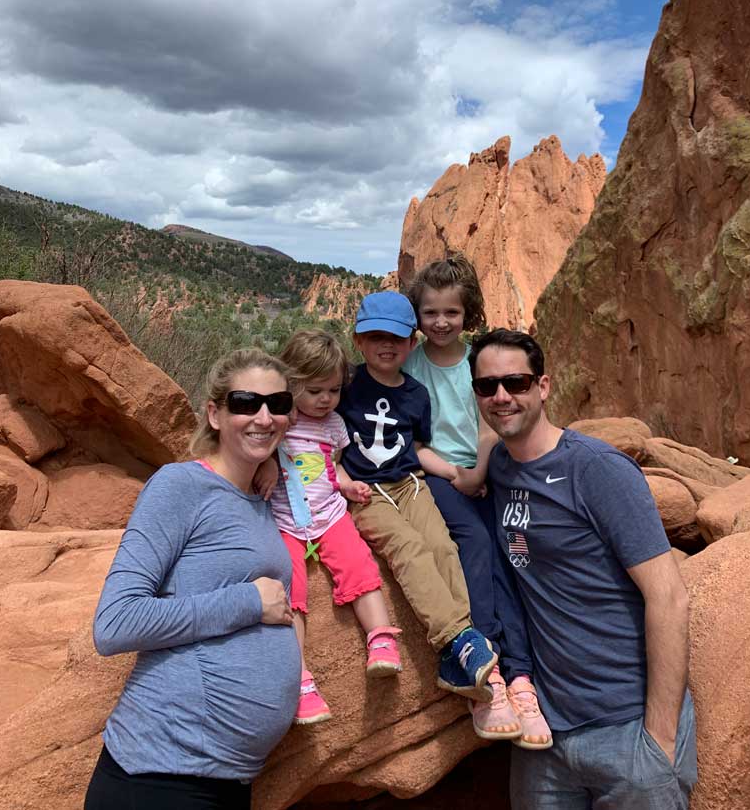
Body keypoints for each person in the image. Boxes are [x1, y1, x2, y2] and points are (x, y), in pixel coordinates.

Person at [469, 328, 697, 810]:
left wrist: (659, 738)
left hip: (628, 729)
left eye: (516, 382)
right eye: (487, 386)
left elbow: (669, 597)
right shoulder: (501, 468)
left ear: (544, 386)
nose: (502, 396)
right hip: (544, 737)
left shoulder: (597, 469)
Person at [85, 348, 300, 810]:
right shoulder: (180, 485)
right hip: (159, 775)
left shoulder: (261, 496)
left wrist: (272, 467)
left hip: (226, 781)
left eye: (279, 405)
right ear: (215, 414)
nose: (264, 416)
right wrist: (248, 601)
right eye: (246, 403)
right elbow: (115, 624)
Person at [405, 256, 551, 748]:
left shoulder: (477, 362)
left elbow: (491, 425)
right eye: (430, 313)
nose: (441, 322)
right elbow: (408, 440)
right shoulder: (411, 365)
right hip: (436, 473)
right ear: (418, 315)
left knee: (514, 551)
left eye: (451, 312)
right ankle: (484, 663)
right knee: (474, 541)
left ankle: (522, 676)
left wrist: (480, 473)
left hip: (486, 468)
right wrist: (456, 475)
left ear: (468, 313)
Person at [337, 289, 497, 702]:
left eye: (395, 338)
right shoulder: (346, 388)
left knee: (443, 546)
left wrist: (457, 472)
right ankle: (457, 638)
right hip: (365, 492)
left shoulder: (415, 394)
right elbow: (323, 438)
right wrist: (338, 480)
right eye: (374, 337)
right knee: (408, 547)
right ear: (358, 341)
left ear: (412, 342)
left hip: (410, 485)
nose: (385, 346)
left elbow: (417, 447)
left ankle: (455, 654)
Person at [256, 328, 401, 726]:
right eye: (316, 390)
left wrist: (346, 483)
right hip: (285, 522)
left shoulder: (334, 425)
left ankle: (382, 638)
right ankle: (298, 675)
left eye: (334, 391)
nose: (325, 400)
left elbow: (330, 465)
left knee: (359, 566)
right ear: (291, 384)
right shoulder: (277, 424)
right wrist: (267, 461)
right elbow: (255, 454)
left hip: (330, 515)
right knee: (291, 589)